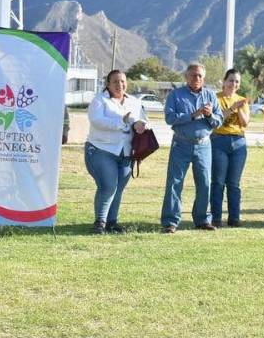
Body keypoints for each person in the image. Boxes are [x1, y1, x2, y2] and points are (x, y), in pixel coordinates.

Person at [161, 63, 223, 233]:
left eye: (200, 76)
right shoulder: (176, 95)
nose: (197, 78)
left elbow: (219, 121)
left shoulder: (210, 96)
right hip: (181, 144)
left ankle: (202, 220)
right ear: (186, 77)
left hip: (203, 145)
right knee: (174, 182)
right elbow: (169, 118)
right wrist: (192, 115)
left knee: (205, 183)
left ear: (204, 78)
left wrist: (210, 115)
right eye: (193, 75)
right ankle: (170, 221)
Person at [85, 69, 148, 234]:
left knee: (118, 189)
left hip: (126, 152)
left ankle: (112, 222)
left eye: (123, 81)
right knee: (108, 186)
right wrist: (122, 121)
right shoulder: (99, 100)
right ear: (108, 84)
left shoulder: (134, 102)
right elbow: (97, 121)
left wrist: (141, 125)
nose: (120, 84)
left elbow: (143, 120)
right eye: (115, 81)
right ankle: (100, 222)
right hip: (101, 149)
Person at [211, 68, 249, 228]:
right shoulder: (215, 98)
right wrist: (232, 108)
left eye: (237, 81)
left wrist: (239, 108)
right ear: (224, 81)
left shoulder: (241, 100)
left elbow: (245, 123)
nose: (234, 84)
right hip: (219, 140)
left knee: (234, 183)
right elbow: (217, 120)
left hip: (238, 142)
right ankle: (216, 218)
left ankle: (234, 218)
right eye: (231, 80)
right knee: (218, 181)